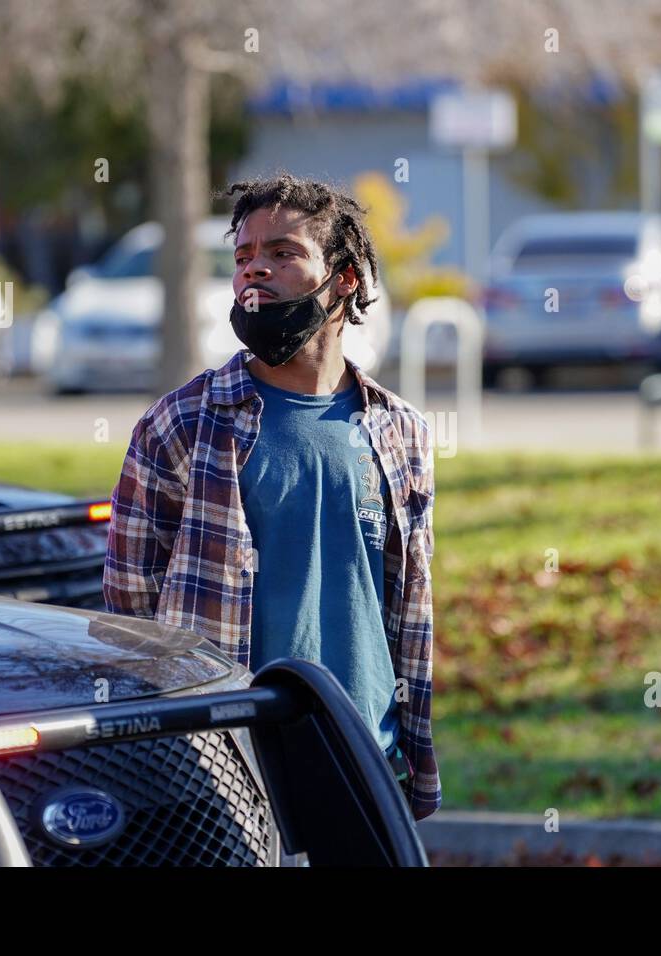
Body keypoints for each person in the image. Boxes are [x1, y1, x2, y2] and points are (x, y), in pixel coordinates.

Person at [103, 172, 440, 821]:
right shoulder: (180, 426)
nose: (255, 271)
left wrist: (414, 763)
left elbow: (409, 610)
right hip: (227, 770)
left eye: (282, 253)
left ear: (344, 278)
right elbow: (130, 625)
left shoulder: (403, 435)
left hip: (364, 759)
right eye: (243, 256)